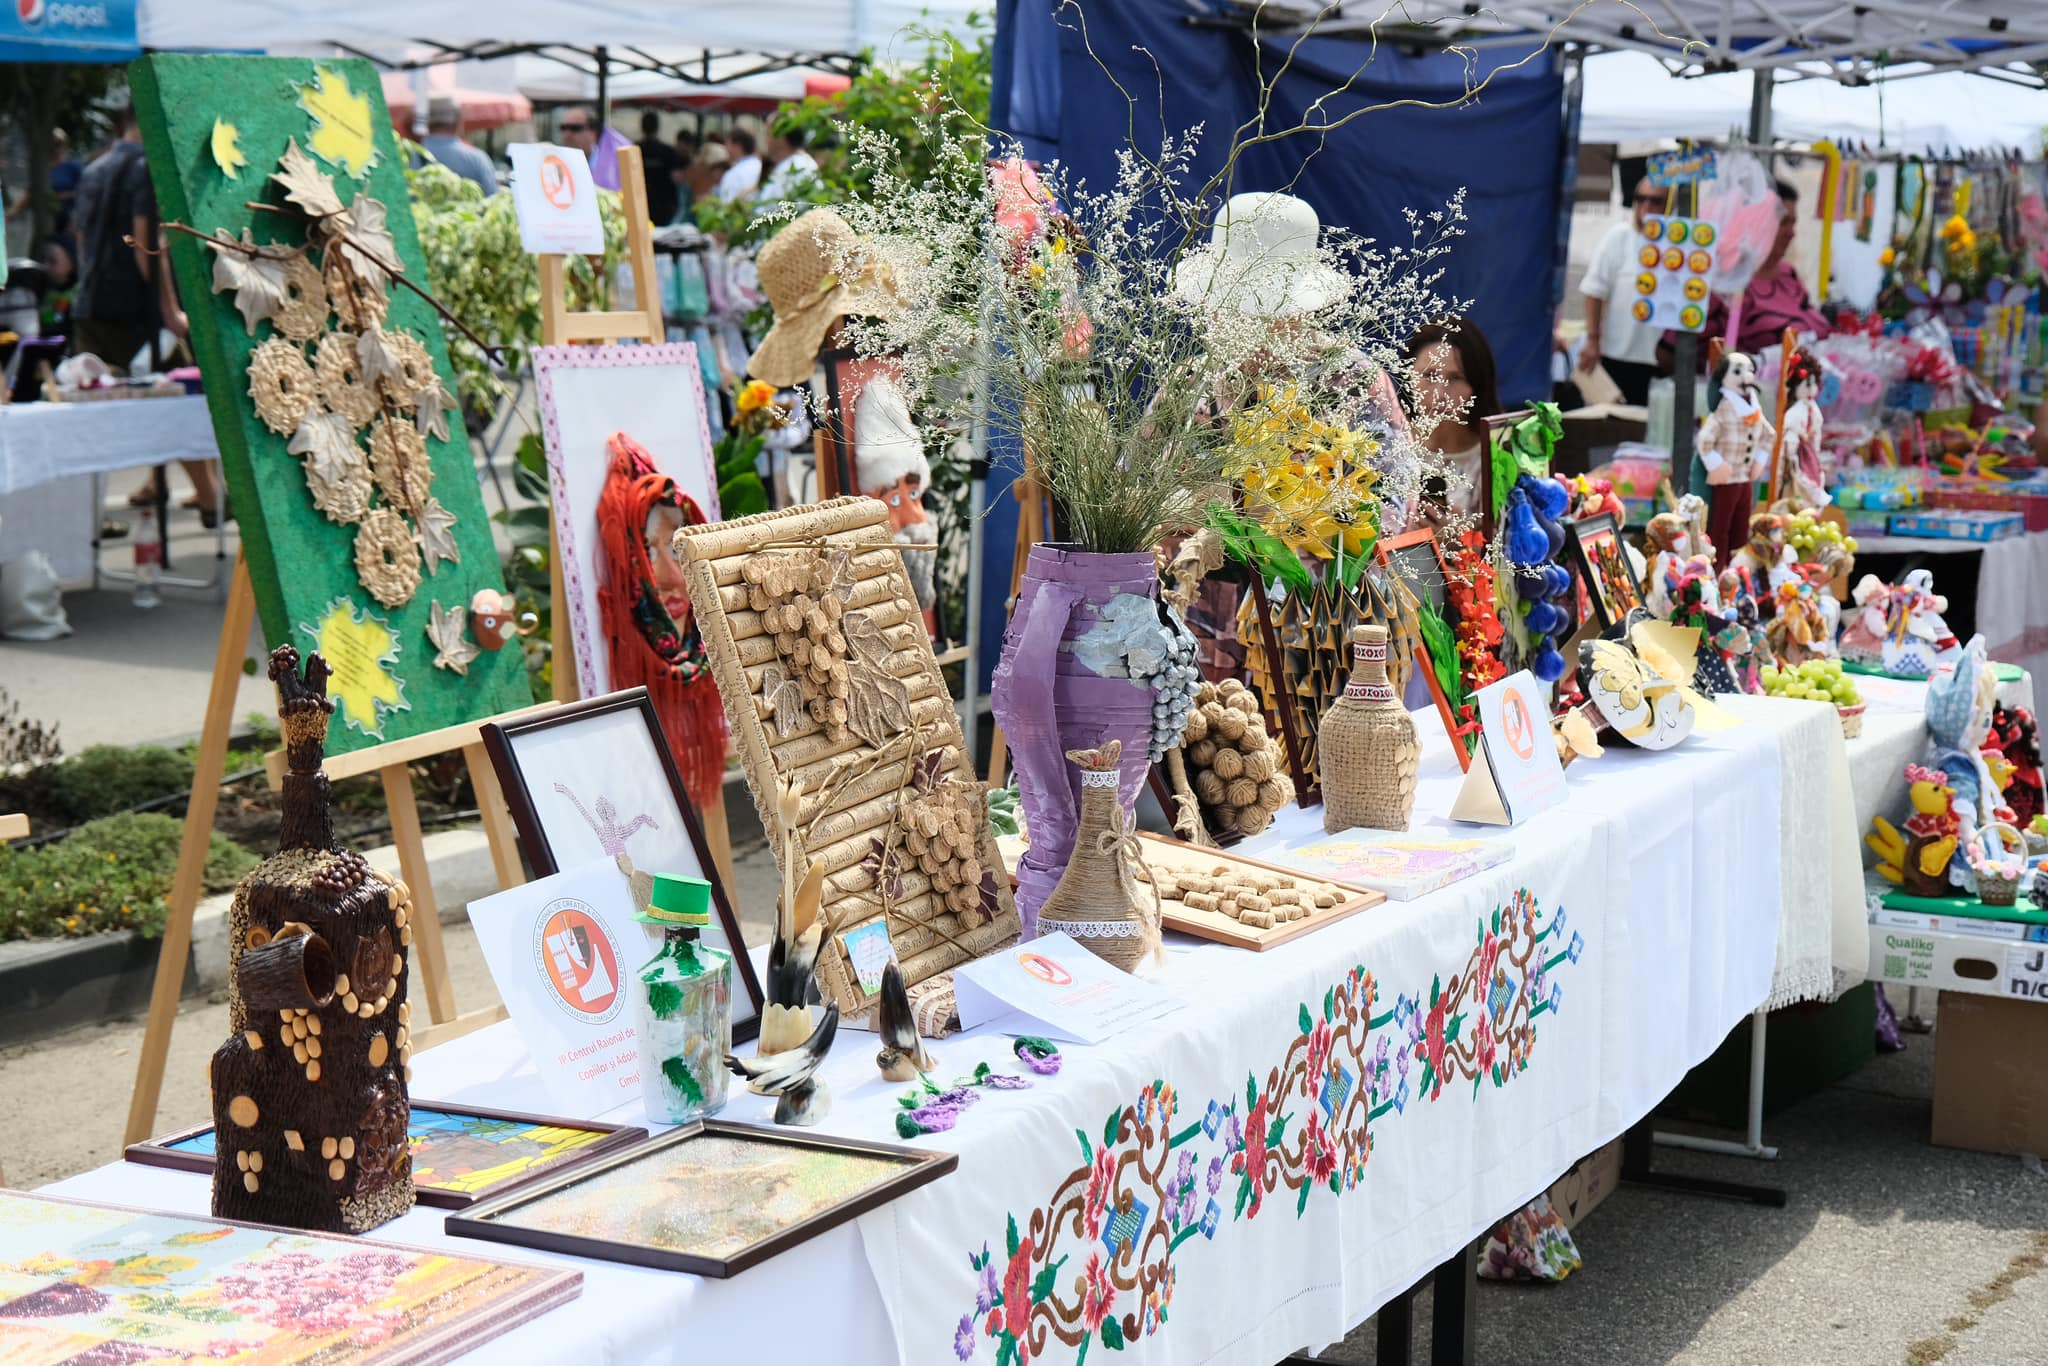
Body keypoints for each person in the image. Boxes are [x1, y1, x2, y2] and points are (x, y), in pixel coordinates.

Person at [72, 104, 220, 514]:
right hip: (137, 313)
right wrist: (171, 312)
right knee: (180, 399)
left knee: (96, 413)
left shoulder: (93, 169)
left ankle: (145, 487)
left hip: (91, 306)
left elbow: (82, 240)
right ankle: (212, 497)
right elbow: (147, 247)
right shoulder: (147, 168)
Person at [1692, 180, 1830, 361]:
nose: (1791, 233)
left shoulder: (1787, 274)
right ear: (1755, 221)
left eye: (1793, 223)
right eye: (1783, 222)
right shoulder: (1723, 282)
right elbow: (1673, 352)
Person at [1577, 175, 1667, 405]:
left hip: (1662, 361)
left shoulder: (1677, 245)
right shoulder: (1619, 237)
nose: (1646, 205)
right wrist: (1592, 339)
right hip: (1618, 355)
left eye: (1656, 200)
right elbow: (1594, 289)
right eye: (1640, 198)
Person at [1406, 318, 1502, 524]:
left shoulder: (1495, 457)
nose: (1440, 394)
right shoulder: (1384, 442)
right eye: (1429, 375)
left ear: (1477, 384)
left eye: (1455, 378)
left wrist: (1460, 539)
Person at [418, 98, 497, 197]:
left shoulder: (408, 157)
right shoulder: (477, 159)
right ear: (458, 121)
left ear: (426, 122)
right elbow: (492, 199)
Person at [635, 110, 684, 226]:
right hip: (664, 206)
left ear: (642, 127)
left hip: (641, 204)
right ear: (657, 128)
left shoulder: (634, 149)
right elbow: (677, 178)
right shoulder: (667, 151)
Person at [756, 124, 818, 205]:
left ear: (781, 138)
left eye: (768, 134)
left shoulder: (795, 166)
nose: (766, 140)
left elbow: (769, 208)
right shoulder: (797, 162)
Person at [715, 128, 762, 203]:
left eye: (727, 144)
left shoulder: (733, 174)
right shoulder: (761, 166)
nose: (725, 149)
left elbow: (727, 205)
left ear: (737, 146)